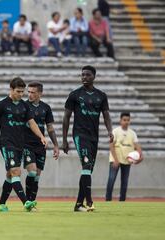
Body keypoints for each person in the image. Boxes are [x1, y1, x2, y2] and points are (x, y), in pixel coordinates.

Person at [0, 77, 48, 212]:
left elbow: (32, 122)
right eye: (18, 91)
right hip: (7, 143)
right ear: (11, 89)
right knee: (16, 171)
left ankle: (2, 204)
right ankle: (26, 203)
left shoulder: (25, 105)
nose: (21, 94)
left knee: (10, 175)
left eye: (22, 92)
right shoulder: (1, 105)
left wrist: (41, 136)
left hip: (20, 144)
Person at [62, 65, 113, 212]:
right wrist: (64, 140)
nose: (84, 77)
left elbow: (106, 115)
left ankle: (79, 204)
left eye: (87, 75)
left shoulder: (101, 95)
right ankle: (89, 201)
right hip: (80, 135)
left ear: (94, 77)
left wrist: (110, 131)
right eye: (82, 75)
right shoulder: (74, 95)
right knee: (85, 166)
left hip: (93, 137)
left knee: (87, 171)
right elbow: (66, 118)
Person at [23, 82, 59, 206]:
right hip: (26, 144)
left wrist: (56, 145)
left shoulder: (46, 108)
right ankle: (27, 201)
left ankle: (32, 201)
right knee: (32, 172)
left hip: (40, 145)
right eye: (29, 92)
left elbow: (50, 128)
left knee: (37, 176)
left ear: (40, 93)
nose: (30, 94)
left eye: (33, 92)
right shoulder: (23, 106)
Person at [105, 112, 143, 201]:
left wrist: (140, 156)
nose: (126, 122)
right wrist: (115, 160)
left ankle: (122, 201)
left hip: (127, 161)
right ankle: (108, 200)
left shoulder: (132, 133)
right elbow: (111, 146)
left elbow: (137, 146)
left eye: (128, 120)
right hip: (115, 160)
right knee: (111, 180)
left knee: (124, 183)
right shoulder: (115, 131)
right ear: (120, 121)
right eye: (124, 120)